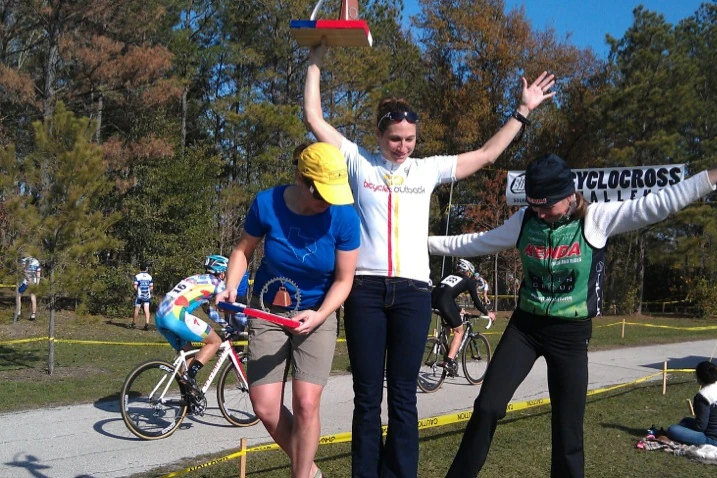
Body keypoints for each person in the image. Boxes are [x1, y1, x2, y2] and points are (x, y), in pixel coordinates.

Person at [428, 126, 717, 478]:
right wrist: (419, 242)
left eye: (547, 207)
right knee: (486, 407)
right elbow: (475, 242)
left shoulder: (598, 219)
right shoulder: (525, 219)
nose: (540, 214)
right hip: (525, 329)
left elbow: (660, 204)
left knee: (568, 430)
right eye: (534, 207)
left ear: (569, 194)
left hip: (570, 336)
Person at [304, 42, 555, 478]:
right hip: (363, 291)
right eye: (395, 139)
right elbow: (314, 119)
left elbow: (486, 155)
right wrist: (315, 61)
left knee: (403, 394)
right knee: (367, 396)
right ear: (379, 135)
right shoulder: (358, 161)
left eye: (410, 140)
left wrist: (522, 110)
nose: (403, 147)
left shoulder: (426, 169)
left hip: (413, 293)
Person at [217, 142, 360, 478]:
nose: (327, 202)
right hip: (267, 312)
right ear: (300, 176)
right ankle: (309, 471)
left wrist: (321, 315)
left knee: (306, 403)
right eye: (321, 194)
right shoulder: (267, 203)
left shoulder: (344, 215)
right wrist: (230, 285)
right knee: (265, 407)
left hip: (316, 314)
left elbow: (344, 280)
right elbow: (243, 251)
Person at [154, 254, 233, 399]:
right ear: (222, 272)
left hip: (160, 316)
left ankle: (188, 398)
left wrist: (225, 324)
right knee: (215, 341)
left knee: (188, 352)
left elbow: (207, 309)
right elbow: (228, 306)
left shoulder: (197, 279)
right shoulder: (218, 284)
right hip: (175, 316)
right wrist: (242, 322)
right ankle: (190, 376)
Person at [433, 259, 496, 377]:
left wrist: (458, 309)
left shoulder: (447, 276)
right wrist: (487, 313)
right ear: (467, 271)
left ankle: (442, 346)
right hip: (445, 302)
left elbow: (444, 293)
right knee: (459, 331)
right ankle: (449, 361)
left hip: (433, 301)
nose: (470, 276)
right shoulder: (469, 281)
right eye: (470, 273)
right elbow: (476, 302)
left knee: (449, 325)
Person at [666, 361, 717, 448]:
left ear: (699, 377)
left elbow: (700, 426)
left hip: (716, 441)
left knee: (672, 429)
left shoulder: (704, 396)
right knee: (686, 420)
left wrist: (697, 406)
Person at [129, 263, 154, 330]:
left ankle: (133, 324)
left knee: (137, 309)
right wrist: (148, 291)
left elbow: (135, 286)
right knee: (146, 309)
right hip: (147, 295)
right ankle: (147, 324)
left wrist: (139, 291)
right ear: (146, 268)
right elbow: (151, 287)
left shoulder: (137, 276)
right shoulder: (149, 277)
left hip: (139, 295)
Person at [16, 256, 41, 321]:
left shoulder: (24, 259)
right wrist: (37, 284)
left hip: (26, 281)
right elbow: (38, 274)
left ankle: (18, 312)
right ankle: (33, 315)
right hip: (34, 281)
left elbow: (24, 271)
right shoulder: (36, 261)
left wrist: (28, 279)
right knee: (33, 297)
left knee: (18, 295)